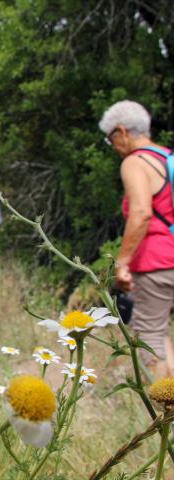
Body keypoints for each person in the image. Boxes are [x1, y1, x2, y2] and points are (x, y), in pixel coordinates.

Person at [99, 100, 174, 378]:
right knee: (162, 331)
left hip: (157, 263)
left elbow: (141, 213)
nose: (114, 147)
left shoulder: (135, 162)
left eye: (111, 139)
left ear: (122, 131)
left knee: (149, 337)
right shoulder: (168, 158)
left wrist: (122, 263)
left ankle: (164, 411)